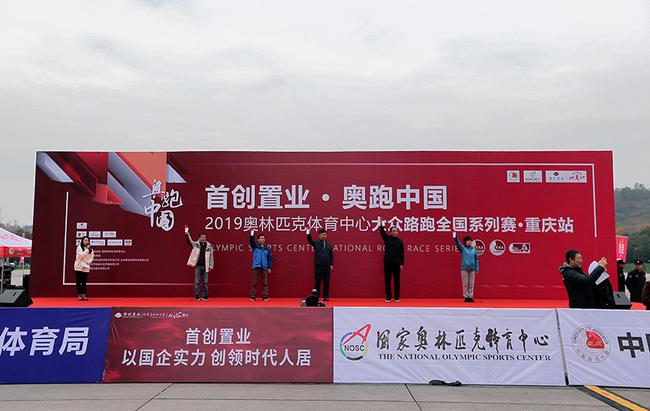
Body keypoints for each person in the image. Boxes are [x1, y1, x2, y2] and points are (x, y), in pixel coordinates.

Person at [185, 227, 214, 301]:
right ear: (199, 238)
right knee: (197, 282)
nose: (204, 238)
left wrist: (211, 266)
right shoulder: (196, 244)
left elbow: (211, 256)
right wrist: (187, 234)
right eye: (202, 237)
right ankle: (197, 295)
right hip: (198, 266)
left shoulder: (209, 245)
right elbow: (190, 240)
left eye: (205, 237)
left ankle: (205, 295)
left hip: (206, 266)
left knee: (205, 282)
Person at [379, 220, 404, 303]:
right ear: (390, 233)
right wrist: (382, 224)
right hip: (387, 263)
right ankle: (388, 297)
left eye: (396, 231)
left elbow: (402, 253)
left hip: (397, 264)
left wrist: (402, 263)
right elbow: (382, 232)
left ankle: (397, 297)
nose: (395, 232)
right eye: (393, 231)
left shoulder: (400, 241)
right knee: (387, 280)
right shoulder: (387, 239)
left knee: (397, 281)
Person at [306, 228, 334, 301]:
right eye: (322, 235)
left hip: (327, 266)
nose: (324, 236)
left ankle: (326, 296)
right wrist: (308, 232)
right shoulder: (316, 243)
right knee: (317, 282)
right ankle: (316, 297)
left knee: (326, 282)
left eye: (325, 234)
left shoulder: (329, 245)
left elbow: (331, 255)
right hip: (318, 265)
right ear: (319, 235)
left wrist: (331, 264)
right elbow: (310, 240)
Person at [453, 232, 479, 303]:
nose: (469, 242)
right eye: (468, 241)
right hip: (464, 268)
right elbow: (458, 243)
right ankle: (466, 297)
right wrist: (455, 236)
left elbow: (476, 260)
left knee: (471, 284)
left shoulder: (474, 250)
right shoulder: (463, 248)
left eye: (470, 241)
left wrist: (477, 269)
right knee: (465, 284)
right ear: (465, 242)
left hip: (472, 269)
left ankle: (470, 297)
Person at [249, 231, 272, 302]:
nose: (263, 239)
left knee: (265, 283)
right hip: (256, 266)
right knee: (254, 282)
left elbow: (269, 258)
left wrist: (269, 267)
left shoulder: (267, 248)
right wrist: (252, 233)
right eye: (261, 238)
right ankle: (253, 297)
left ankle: (265, 297)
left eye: (264, 238)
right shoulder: (255, 247)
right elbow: (251, 241)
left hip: (264, 267)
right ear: (258, 240)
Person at [73, 236, 94, 301]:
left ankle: (84, 295)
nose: (86, 241)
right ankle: (79, 295)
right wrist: (87, 250)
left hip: (86, 267)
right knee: (79, 282)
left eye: (87, 240)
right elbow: (82, 255)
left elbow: (92, 257)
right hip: (78, 267)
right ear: (82, 241)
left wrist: (88, 262)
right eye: (85, 240)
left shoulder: (90, 249)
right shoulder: (79, 247)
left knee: (84, 282)